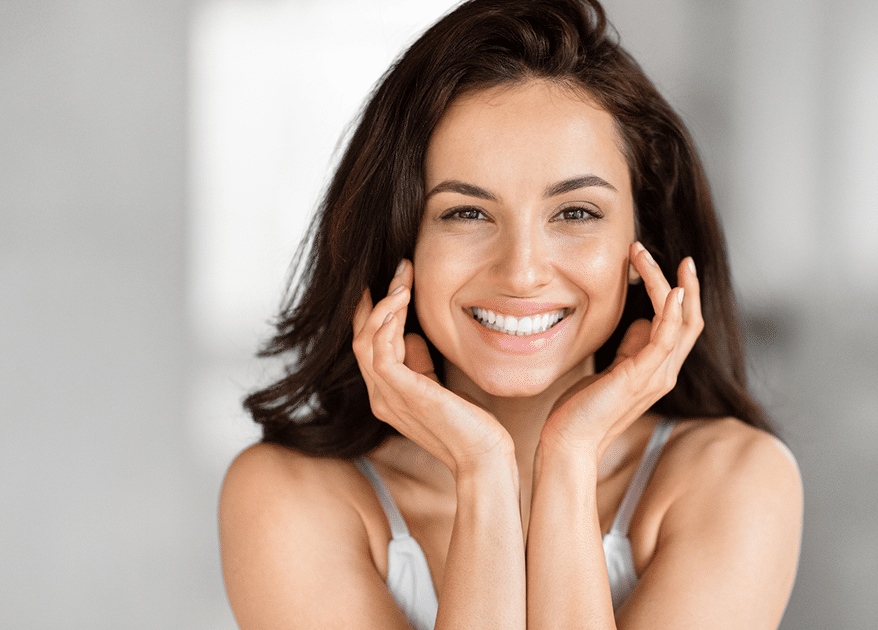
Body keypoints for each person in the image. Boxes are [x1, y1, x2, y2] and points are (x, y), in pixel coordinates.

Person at [218, 0, 802, 628]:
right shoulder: (288, 497)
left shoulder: (737, 480)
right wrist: (483, 472)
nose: (521, 271)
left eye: (576, 213)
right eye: (465, 213)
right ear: (400, 241)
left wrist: (569, 458)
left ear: (644, 245)